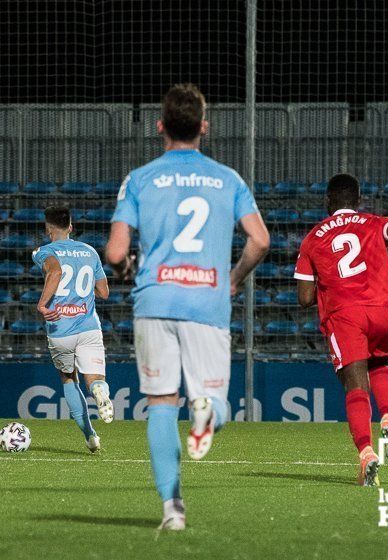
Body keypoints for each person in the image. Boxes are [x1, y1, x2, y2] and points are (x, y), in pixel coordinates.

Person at [106, 83, 270, 530]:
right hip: (207, 302)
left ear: (160, 126)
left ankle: (171, 509)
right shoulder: (228, 179)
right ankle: (206, 415)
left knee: (160, 403)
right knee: (216, 403)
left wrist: (129, 275)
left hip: (155, 300)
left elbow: (116, 253)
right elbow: (261, 240)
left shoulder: (139, 179)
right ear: (204, 127)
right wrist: (232, 280)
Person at [294, 173, 388, 486]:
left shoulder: (313, 238)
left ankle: (366, 452)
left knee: (355, 384)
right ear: (358, 200)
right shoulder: (373, 223)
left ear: (328, 201)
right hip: (384, 309)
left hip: (347, 315)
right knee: (379, 364)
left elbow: (305, 298)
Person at [33, 206, 113, 452]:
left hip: (60, 329)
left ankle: (90, 436)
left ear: (48, 229)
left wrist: (42, 304)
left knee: (69, 378)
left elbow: (55, 271)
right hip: (89, 327)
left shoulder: (43, 251)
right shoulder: (90, 252)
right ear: (71, 227)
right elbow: (104, 292)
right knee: (95, 379)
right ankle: (99, 390)